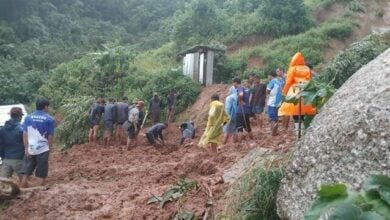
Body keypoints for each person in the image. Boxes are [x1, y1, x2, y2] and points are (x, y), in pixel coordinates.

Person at [278, 52, 317, 135]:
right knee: (305, 116)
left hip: (295, 93)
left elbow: (288, 83)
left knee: (296, 116)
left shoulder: (292, 69)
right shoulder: (308, 70)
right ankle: (306, 134)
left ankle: (299, 136)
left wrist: (284, 94)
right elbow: (311, 82)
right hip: (307, 95)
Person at [20, 98, 55, 187]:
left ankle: (23, 189)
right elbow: (50, 136)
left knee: (26, 171)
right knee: (42, 171)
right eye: (48, 107)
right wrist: (49, 149)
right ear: (45, 107)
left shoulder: (28, 117)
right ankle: (39, 192)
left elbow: (25, 133)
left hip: (31, 148)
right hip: (43, 148)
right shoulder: (50, 119)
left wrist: (26, 148)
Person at [0, 107, 25, 182]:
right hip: (19, 159)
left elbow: (1, 145)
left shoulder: (2, 129)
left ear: (11, 115)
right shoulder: (22, 129)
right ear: (19, 116)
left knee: (2, 183)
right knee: (24, 181)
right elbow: (26, 144)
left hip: (6, 159)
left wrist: (3, 156)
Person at [267, 71, 283, 136]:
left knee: (271, 118)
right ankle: (276, 131)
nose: (268, 77)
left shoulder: (272, 81)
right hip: (278, 102)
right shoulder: (279, 82)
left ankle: (273, 132)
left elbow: (268, 90)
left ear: (271, 76)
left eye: (268, 76)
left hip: (272, 102)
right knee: (276, 117)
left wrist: (269, 94)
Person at [223, 79, 238, 144]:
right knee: (235, 131)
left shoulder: (228, 98)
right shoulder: (238, 97)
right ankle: (235, 144)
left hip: (227, 116)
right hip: (236, 115)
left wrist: (224, 119)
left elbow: (227, 109)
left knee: (226, 130)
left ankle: (223, 144)